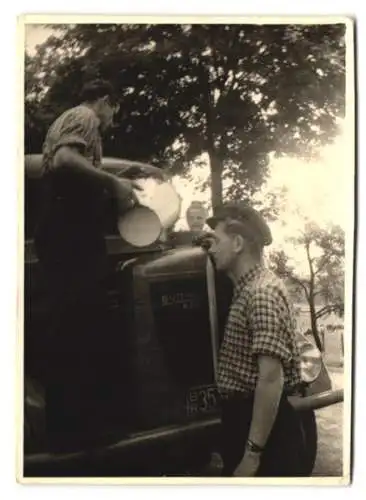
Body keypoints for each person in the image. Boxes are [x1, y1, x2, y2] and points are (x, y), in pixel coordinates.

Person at [34, 79, 141, 450]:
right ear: (106, 101)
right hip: (70, 230)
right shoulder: (84, 116)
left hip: (66, 229)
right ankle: (77, 431)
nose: (112, 119)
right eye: (115, 110)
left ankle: (74, 427)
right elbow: (66, 160)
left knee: (76, 323)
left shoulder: (69, 119)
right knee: (80, 322)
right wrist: (112, 182)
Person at [206, 202, 306, 477]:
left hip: (264, 433)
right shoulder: (247, 289)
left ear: (237, 243)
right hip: (248, 422)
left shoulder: (261, 293)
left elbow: (271, 379)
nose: (210, 249)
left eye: (216, 241)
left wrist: (252, 454)